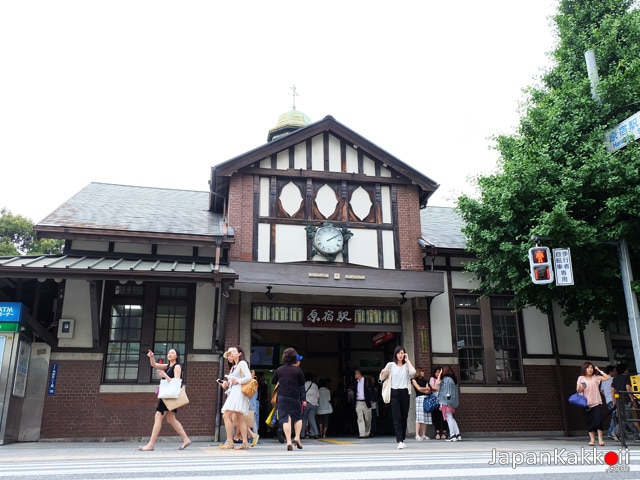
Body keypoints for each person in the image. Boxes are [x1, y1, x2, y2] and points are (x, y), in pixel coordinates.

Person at [138, 349, 191, 451]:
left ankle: (151, 444)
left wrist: (165, 376)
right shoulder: (167, 366)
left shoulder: (177, 366)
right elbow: (154, 365)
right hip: (167, 396)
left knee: (158, 416)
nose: (169, 354)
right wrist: (151, 357)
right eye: (168, 353)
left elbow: (176, 383)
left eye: (172, 353)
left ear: (177, 356)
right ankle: (186, 439)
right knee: (171, 419)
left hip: (169, 397)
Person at [379, 345, 416, 449]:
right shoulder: (390, 365)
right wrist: (382, 373)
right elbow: (381, 377)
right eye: (399, 353)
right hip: (394, 393)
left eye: (402, 353)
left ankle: (402, 438)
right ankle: (399, 440)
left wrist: (408, 360)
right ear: (395, 354)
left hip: (405, 392)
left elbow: (413, 372)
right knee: (397, 417)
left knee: (404, 417)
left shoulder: (406, 366)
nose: (400, 355)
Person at [218, 346, 253, 450]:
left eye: (233, 352)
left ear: (240, 353)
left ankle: (230, 441)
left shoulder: (242, 363)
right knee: (239, 417)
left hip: (238, 392)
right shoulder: (235, 366)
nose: (231, 354)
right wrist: (226, 383)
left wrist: (238, 381)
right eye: (230, 352)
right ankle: (245, 443)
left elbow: (249, 377)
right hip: (235, 391)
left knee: (226, 415)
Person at [271, 347, 306, 451]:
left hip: (282, 397)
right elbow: (302, 384)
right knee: (297, 418)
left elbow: (273, 381)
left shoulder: (279, 370)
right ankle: (297, 437)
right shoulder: (298, 370)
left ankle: (289, 441)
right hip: (294, 397)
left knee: (286, 419)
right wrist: (303, 399)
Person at [576, 361, 610, 446]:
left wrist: (599, 370)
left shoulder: (596, 377)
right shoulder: (581, 378)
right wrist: (582, 388)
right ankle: (592, 439)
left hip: (597, 402)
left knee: (598, 420)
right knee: (589, 421)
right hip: (586, 404)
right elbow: (577, 391)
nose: (590, 369)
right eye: (588, 368)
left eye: (591, 368)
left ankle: (600, 438)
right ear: (584, 369)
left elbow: (607, 378)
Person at [611, 363, 640, 442]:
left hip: (618, 400)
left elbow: (612, 390)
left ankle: (636, 435)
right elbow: (628, 388)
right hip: (626, 400)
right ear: (625, 370)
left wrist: (613, 400)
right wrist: (632, 399)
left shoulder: (615, 378)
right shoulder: (626, 377)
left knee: (628, 418)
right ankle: (615, 432)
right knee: (625, 418)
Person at [437, 365, 461, 442]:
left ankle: (452, 435)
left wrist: (440, 374)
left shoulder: (446, 379)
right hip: (452, 401)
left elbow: (437, 383)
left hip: (446, 401)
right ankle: (457, 434)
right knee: (451, 417)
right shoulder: (453, 379)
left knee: (448, 418)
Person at [411, 366, 431, 441]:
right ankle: (417, 434)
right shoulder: (413, 380)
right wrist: (425, 389)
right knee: (419, 417)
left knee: (425, 416)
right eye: (422, 371)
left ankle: (423, 434)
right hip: (419, 398)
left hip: (426, 398)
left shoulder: (425, 381)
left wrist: (424, 389)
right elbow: (418, 389)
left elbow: (428, 391)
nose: (423, 373)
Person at [429, 366, 448, 440]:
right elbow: (433, 387)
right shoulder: (432, 379)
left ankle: (444, 431)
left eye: (438, 372)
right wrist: (441, 389)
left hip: (443, 400)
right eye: (436, 372)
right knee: (436, 416)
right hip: (435, 400)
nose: (437, 374)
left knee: (444, 416)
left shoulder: (444, 379)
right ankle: (437, 432)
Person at [353, 369, 372, 438]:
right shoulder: (355, 382)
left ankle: (367, 432)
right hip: (358, 402)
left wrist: (371, 399)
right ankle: (362, 434)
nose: (355, 375)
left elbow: (371, 390)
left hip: (366, 402)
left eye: (355, 374)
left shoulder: (367, 381)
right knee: (360, 418)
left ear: (359, 374)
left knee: (368, 419)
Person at [600, 365, 617, 440]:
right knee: (615, 416)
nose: (616, 372)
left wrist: (606, 396)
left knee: (615, 416)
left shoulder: (604, 380)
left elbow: (601, 390)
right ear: (611, 371)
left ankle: (616, 432)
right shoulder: (613, 379)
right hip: (614, 400)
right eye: (614, 370)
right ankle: (611, 432)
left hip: (608, 400)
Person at [302, 372, 320, 439]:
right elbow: (318, 395)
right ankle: (315, 433)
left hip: (306, 403)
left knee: (304, 418)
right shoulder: (315, 385)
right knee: (312, 418)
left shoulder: (303, 385)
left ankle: (302, 434)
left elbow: (301, 394)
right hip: (314, 404)